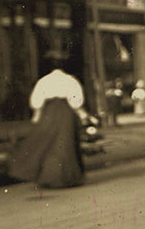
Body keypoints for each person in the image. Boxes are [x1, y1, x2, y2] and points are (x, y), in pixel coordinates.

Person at [7, 50, 86, 189]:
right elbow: (75, 101)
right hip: (65, 112)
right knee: (64, 145)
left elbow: (36, 101)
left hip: (48, 113)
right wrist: (82, 113)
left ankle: (48, 179)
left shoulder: (43, 81)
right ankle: (66, 178)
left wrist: (37, 117)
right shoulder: (70, 80)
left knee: (47, 145)